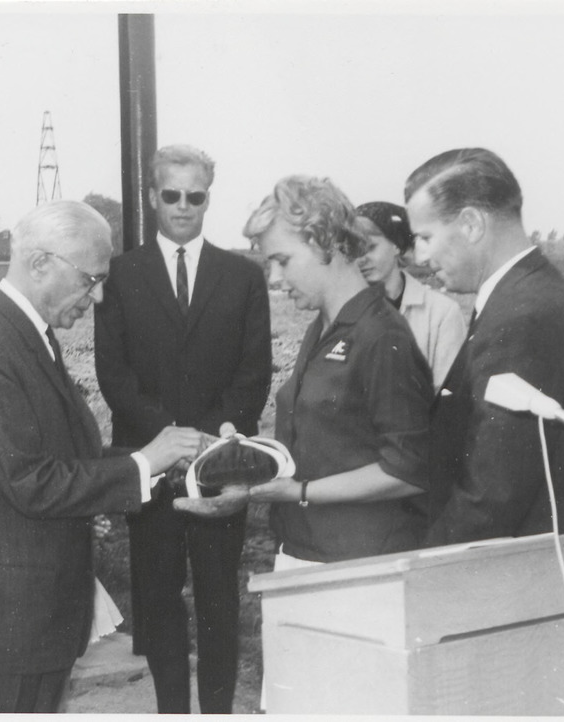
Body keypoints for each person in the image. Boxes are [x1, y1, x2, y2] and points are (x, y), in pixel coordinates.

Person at [0, 200, 206, 714]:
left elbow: (63, 456)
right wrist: (143, 464)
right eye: (91, 280)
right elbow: (29, 479)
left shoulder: (25, 334)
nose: (98, 297)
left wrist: (158, 459)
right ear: (40, 263)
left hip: (15, 624)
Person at [94, 144, 272, 714]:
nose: (183, 206)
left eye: (195, 196)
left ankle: (217, 712)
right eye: (171, 194)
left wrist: (209, 444)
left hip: (220, 463)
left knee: (219, 600)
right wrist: (167, 439)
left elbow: (254, 371)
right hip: (150, 464)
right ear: (152, 196)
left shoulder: (242, 276)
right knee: (158, 599)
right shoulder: (121, 275)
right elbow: (113, 374)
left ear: (207, 200)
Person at [179, 175, 433, 570]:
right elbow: (330, 440)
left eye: (282, 261)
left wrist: (298, 492)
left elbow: (409, 471)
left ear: (324, 243)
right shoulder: (325, 326)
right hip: (305, 547)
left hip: (358, 562)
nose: (274, 279)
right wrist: (242, 457)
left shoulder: (380, 335)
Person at [404, 148, 564, 546]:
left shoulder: (522, 316)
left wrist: (430, 561)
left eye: (426, 237)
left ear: (471, 223)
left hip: (525, 567)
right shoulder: (524, 296)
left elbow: (493, 493)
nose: (420, 255)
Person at [355, 201, 466, 391]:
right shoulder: (343, 309)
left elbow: (449, 392)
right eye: (354, 250)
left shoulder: (441, 313)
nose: (361, 259)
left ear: (397, 246)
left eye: (370, 247)